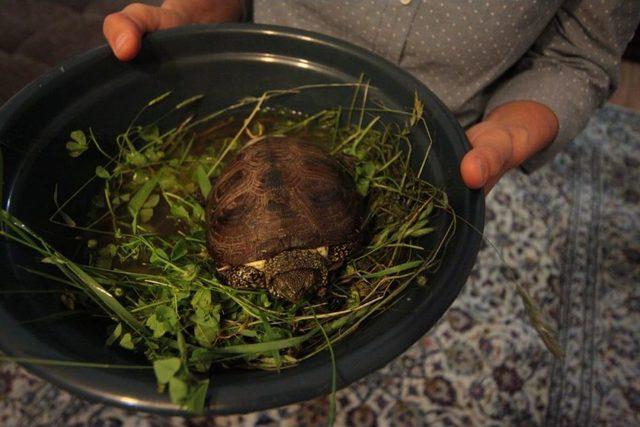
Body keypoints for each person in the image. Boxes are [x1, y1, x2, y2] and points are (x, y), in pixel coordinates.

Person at [102, 0, 640, 193]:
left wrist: (508, 135)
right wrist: (193, 17)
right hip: (246, 117)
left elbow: (576, 55)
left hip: (433, 166)